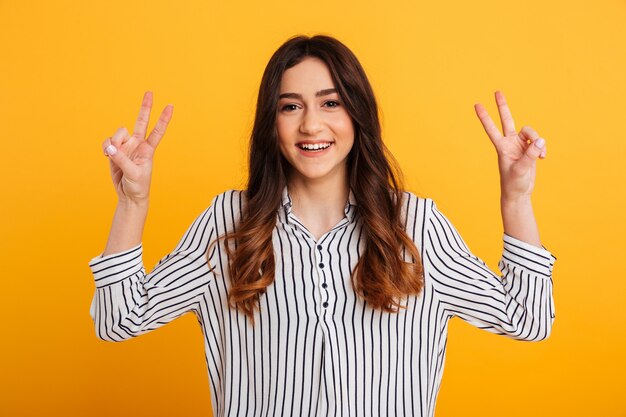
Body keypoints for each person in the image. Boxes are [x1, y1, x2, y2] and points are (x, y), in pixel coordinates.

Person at [89, 35, 556, 417]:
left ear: (357, 113)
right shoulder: (231, 226)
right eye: (290, 107)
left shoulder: (414, 226)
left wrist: (516, 199)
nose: (311, 125)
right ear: (271, 123)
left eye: (330, 103)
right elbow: (118, 319)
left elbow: (529, 319)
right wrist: (133, 203)